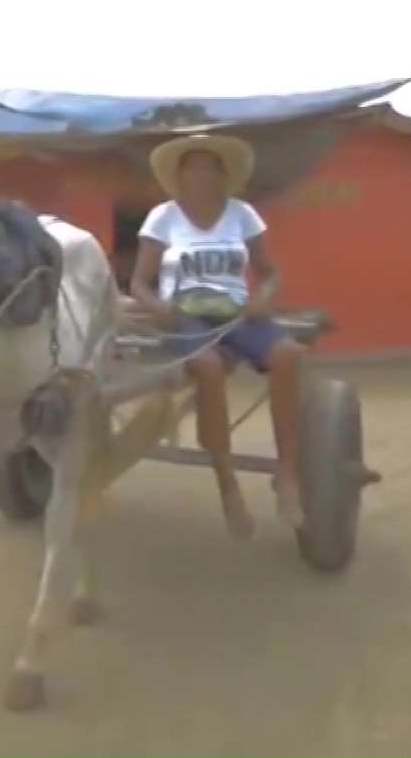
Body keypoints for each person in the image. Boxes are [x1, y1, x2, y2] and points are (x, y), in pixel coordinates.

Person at [128, 133, 307, 539]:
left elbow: (270, 271)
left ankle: (288, 472)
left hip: (238, 313)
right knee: (207, 367)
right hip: (186, 317)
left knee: (288, 355)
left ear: (223, 176)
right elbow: (139, 283)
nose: (200, 175)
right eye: (191, 167)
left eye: (209, 167)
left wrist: (264, 298)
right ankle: (227, 483)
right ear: (179, 176)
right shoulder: (163, 218)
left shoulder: (242, 214)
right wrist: (158, 308)